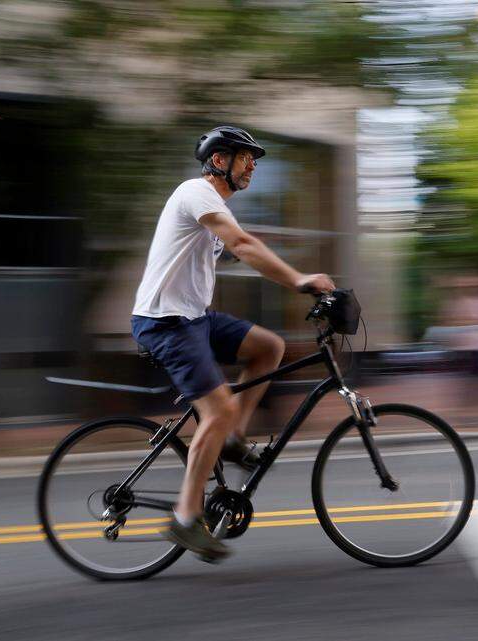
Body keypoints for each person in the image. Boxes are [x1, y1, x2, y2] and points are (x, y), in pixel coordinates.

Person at [131, 126, 335, 561]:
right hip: (165, 322)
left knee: (269, 347)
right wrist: (299, 279)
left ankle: (231, 438)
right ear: (219, 160)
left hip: (194, 320)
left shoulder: (215, 207)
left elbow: (236, 250)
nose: (254, 165)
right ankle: (186, 519)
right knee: (218, 408)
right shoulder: (196, 192)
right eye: (247, 157)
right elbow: (243, 245)